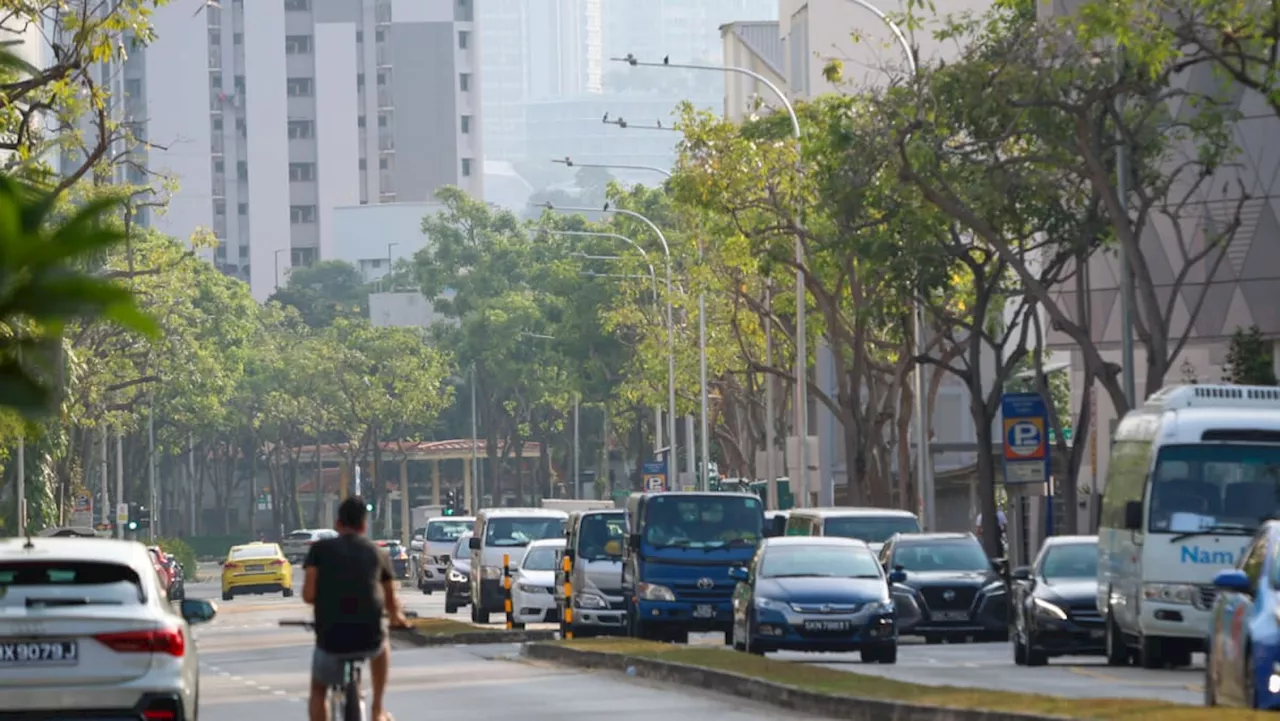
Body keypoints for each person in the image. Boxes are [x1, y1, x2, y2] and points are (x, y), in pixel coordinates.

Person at [302, 496, 408, 721]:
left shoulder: (319, 550)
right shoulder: (378, 553)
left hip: (331, 638)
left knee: (318, 690)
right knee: (383, 645)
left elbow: (308, 594)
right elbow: (391, 602)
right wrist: (397, 619)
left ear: (338, 524)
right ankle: (377, 708)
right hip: (369, 636)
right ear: (364, 525)